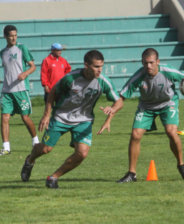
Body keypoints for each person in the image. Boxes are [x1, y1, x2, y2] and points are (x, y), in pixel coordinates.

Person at [117, 48, 184, 183]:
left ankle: (181, 165)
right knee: (135, 135)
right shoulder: (139, 75)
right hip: (147, 107)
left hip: (168, 104)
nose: (148, 66)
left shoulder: (168, 71)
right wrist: (112, 110)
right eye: (145, 63)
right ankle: (131, 174)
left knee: (171, 132)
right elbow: (123, 95)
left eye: (151, 62)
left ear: (158, 61)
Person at [21, 50, 123, 188]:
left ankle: (53, 177)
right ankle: (30, 160)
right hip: (61, 117)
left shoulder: (103, 81)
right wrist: (47, 114)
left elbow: (119, 101)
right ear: (86, 65)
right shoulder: (71, 78)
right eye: (96, 67)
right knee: (45, 149)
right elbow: (53, 92)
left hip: (83, 120)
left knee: (82, 153)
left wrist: (112, 109)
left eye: (101, 66)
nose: (100, 70)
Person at [0, 25, 39, 156]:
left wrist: (25, 73)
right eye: (11, 35)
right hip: (6, 91)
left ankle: (36, 142)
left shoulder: (22, 48)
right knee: (4, 117)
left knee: (25, 117)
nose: (13, 38)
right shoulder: (3, 52)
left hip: (21, 89)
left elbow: (33, 66)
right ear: (5, 36)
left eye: (15, 35)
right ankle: (6, 147)